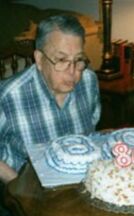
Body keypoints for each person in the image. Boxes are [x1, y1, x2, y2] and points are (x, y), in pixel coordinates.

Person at [0, 15, 101, 184]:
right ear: (39, 59)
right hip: (29, 193)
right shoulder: (8, 96)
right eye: (61, 60)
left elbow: (93, 125)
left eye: (78, 60)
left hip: (82, 183)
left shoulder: (89, 80)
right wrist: (17, 185)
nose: (73, 72)